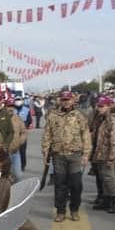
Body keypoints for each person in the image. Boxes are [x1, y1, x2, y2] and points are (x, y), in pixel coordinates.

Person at [41, 91, 91, 222]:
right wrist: (45, 152)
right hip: (58, 155)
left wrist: (86, 154)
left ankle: (74, 209)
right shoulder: (53, 116)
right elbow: (47, 134)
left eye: (68, 99)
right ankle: (60, 211)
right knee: (60, 185)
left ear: (73, 100)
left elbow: (86, 135)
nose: (66, 102)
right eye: (63, 100)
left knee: (76, 184)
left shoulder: (79, 116)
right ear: (60, 101)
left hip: (75, 155)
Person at [91, 96, 115, 213]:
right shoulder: (101, 118)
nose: (99, 108)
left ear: (109, 106)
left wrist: (112, 157)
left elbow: (114, 140)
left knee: (109, 178)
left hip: (107, 154)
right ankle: (107, 200)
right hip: (100, 153)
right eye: (98, 106)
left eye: (101, 106)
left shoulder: (112, 120)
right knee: (103, 178)